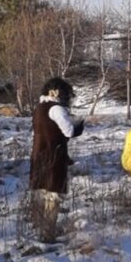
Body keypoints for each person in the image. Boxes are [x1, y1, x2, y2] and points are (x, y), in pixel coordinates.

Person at [30, 77, 84, 241]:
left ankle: (40, 228)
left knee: (42, 193)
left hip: (39, 155)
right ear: (59, 93)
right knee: (53, 196)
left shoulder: (40, 107)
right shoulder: (56, 109)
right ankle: (48, 234)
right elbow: (68, 131)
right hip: (54, 157)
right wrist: (79, 124)